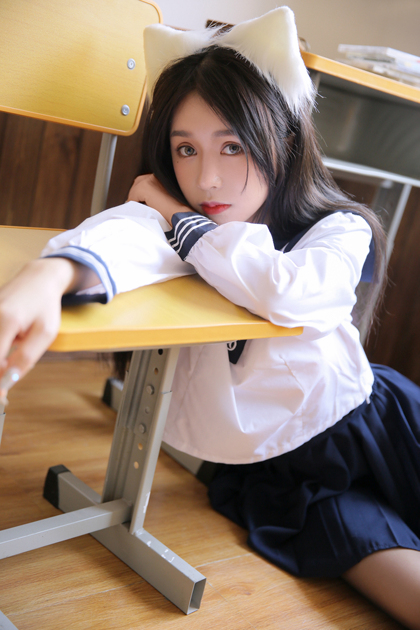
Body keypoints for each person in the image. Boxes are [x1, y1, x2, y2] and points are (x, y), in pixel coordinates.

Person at [1, 7, 420, 628]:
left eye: (233, 146)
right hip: (277, 478)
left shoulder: (337, 228)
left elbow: (292, 292)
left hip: (369, 421)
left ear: (284, 140)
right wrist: (48, 276)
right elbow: (121, 235)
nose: (208, 178)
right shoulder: (173, 222)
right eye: (185, 149)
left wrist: (180, 218)